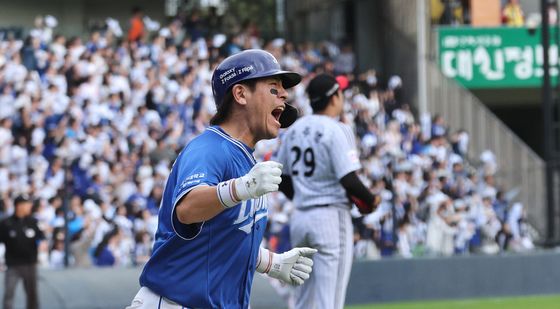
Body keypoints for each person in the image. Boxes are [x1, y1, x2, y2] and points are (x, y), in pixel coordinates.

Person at [127, 49, 317, 309]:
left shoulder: (245, 160)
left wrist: (271, 263)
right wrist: (241, 187)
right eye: (273, 88)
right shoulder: (210, 147)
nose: (284, 94)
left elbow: (220, 237)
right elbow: (187, 209)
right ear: (240, 94)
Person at [275, 73, 380, 309]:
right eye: (340, 92)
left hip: (300, 217)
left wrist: (303, 196)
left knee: (303, 301)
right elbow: (349, 180)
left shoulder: (294, 129)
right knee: (329, 301)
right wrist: (371, 200)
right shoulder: (338, 129)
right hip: (330, 217)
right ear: (334, 97)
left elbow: (281, 178)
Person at [0, 195, 45, 309]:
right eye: (27, 204)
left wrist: (42, 244)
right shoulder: (6, 223)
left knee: (32, 294)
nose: (30, 206)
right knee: (9, 293)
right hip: (13, 264)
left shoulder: (33, 221)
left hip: (30, 263)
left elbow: (42, 237)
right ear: (19, 206)